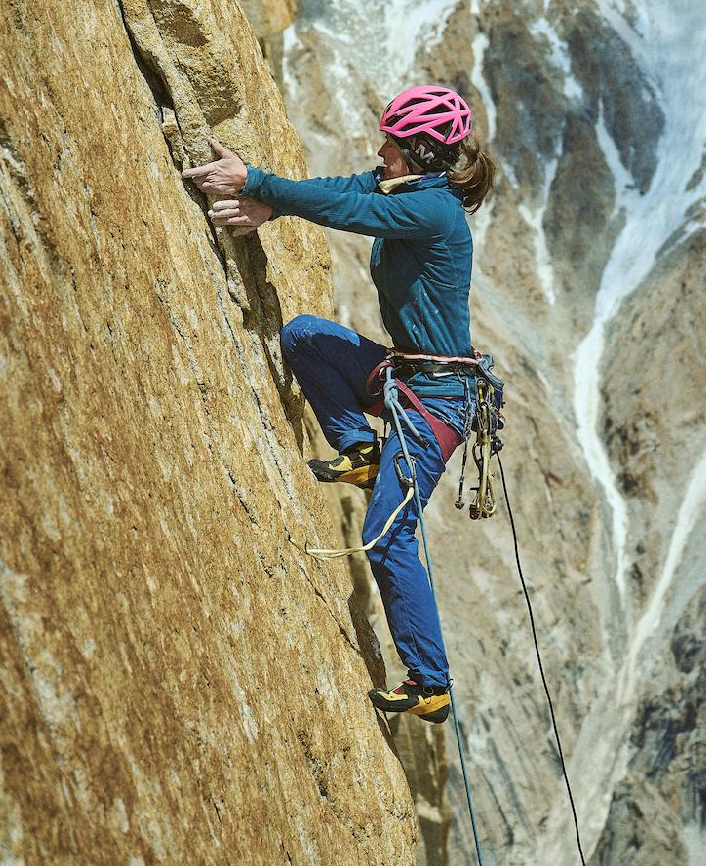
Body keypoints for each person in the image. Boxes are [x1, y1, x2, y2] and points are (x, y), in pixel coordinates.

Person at [182, 85, 496, 725]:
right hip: (406, 377)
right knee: (304, 337)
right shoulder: (405, 189)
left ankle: (431, 684)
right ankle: (359, 449)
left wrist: (256, 182)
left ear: (419, 151)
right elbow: (341, 191)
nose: (380, 153)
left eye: (390, 144)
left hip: (435, 404)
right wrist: (271, 204)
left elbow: (348, 211)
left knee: (387, 537)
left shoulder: (431, 210)